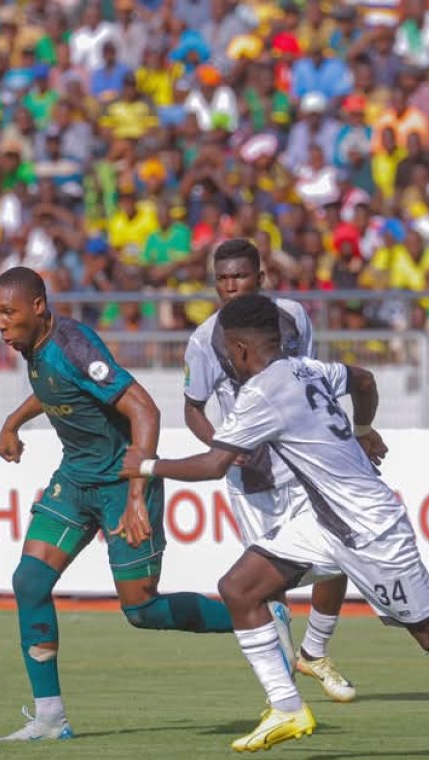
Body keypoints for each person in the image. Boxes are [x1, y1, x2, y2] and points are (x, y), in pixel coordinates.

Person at [123, 294, 429, 760]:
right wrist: (363, 428)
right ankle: (287, 707)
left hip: (371, 532)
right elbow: (364, 378)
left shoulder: (261, 392)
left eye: (224, 353)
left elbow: (216, 464)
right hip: (327, 525)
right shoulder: (308, 368)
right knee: (240, 587)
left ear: (237, 350)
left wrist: (148, 466)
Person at [0, 267, 233, 742]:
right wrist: (12, 422)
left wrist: (138, 493)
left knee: (142, 610)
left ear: (38, 307)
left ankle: (255, 617)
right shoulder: (31, 344)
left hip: (123, 482)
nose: (0, 323)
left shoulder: (75, 346)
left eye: (7, 312)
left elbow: (144, 409)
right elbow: (53, 390)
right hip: (77, 479)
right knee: (30, 580)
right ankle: (49, 718)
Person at [183, 238, 355, 701]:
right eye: (222, 279)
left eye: (239, 276)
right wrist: (220, 446)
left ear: (261, 277)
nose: (230, 286)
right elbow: (193, 409)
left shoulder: (294, 316)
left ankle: (314, 651)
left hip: (305, 464)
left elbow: (310, 378)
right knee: (267, 586)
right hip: (252, 482)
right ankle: (283, 695)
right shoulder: (204, 340)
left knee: (338, 555)